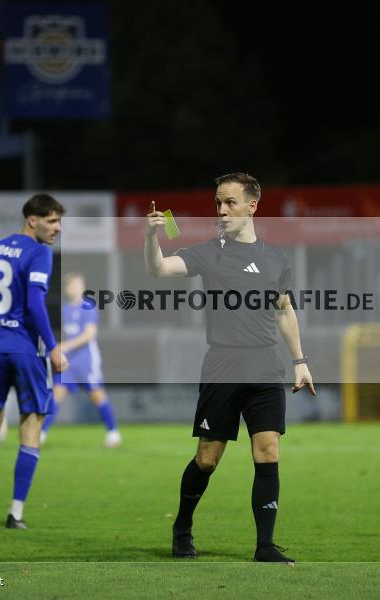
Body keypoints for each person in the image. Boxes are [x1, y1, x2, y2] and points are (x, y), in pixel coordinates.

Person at [145, 172, 315, 564]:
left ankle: (265, 546)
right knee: (208, 458)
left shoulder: (276, 257)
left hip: (266, 368)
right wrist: (152, 236)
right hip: (222, 367)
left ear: (253, 205)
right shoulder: (209, 251)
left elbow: (284, 309)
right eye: (218, 203)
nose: (221, 210)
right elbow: (158, 270)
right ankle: (182, 526)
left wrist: (300, 362)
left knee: (268, 450)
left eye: (230, 202)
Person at [0, 193, 68, 530]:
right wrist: (53, 347)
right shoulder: (40, 252)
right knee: (31, 425)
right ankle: (16, 512)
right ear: (32, 219)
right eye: (52, 221)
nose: (58, 228)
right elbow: (36, 305)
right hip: (26, 350)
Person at [43, 273, 122, 448]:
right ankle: (40, 435)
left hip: (86, 359)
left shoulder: (88, 306)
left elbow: (89, 334)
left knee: (97, 395)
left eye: (78, 284)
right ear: (66, 289)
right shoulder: (65, 309)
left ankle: (113, 433)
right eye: (72, 285)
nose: (75, 288)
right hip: (69, 361)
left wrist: (66, 346)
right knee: (56, 395)